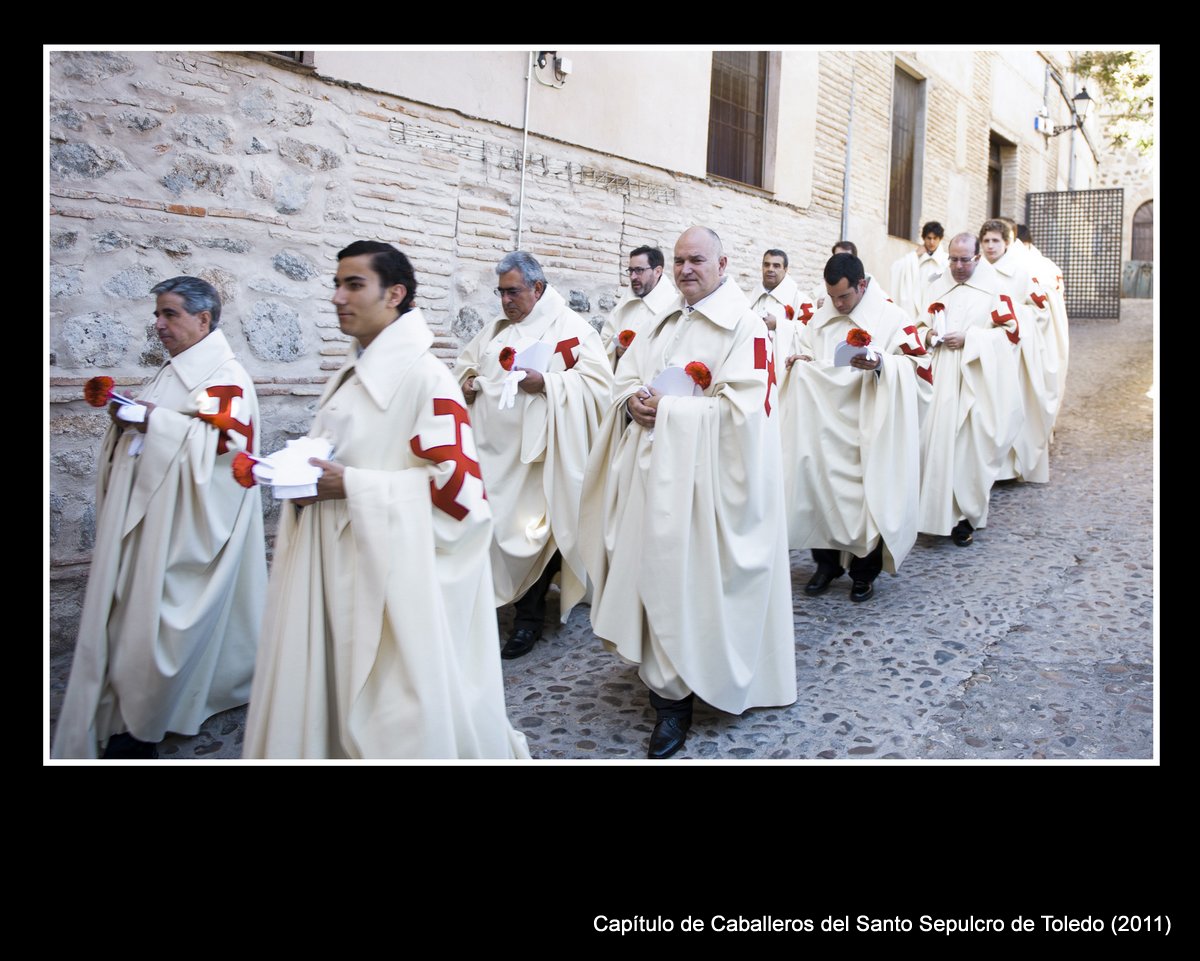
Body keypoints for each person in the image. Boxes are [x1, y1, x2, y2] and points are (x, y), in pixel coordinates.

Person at [243, 241, 529, 759]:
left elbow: (462, 497)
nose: (338, 298)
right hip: (341, 572)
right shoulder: (351, 374)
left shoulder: (426, 380)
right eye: (337, 284)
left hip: (393, 594)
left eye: (354, 285)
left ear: (395, 294)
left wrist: (353, 486)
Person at [579, 226, 796, 759]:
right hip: (651, 479)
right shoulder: (662, 319)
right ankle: (666, 692)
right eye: (678, 261)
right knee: (654, 578)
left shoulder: (745, 327)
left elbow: (747, 413)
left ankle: (682, 697)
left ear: (723, 264)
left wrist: (671, 410)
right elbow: (625, 376)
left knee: (689, 586)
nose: (685, 270)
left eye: (696, 260)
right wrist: (631, 401)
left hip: (707, 489)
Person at [53, 276, 266, 759]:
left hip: (184, 529)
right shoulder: (174, 370)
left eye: (170, 314)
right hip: (156, 517)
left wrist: (152, 421)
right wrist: (129, 417)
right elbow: (171, 427)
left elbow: (224, 450)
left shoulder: (225, 378)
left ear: (203, 319)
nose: (159, 324)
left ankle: (147, 718)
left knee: (164, 621)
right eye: (158, 314)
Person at [455, 251, 612, 659]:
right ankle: (486, 603)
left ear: (537, 288)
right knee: (491, 532)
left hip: (540, 458)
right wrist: (467, 383)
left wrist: (548, 384)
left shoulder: (572, 330)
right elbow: (466, 366)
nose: (506, 301)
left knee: (537, 536)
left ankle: (528, 619)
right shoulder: (496, 330)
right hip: (492, 455)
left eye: (513, 292)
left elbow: (599, 388)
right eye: (501, 293)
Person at [779, 253, 925, 602]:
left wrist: (882, 364)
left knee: (867, 499)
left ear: (862, 285)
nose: (838, 304)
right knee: (819, 492)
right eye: (832, 297)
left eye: (844, 296)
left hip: (870, 425)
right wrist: (801, 361)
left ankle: (864, 574)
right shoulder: (821, 319)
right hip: (825, 427)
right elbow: (806, 350)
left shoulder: (892, 318)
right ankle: (826, 565)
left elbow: (921, 367)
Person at [915, 233, 1024, 547]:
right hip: (940, 378)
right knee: (934, 446)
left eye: (965, 260)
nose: (958, 266)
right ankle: (933, 515)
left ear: (977, 258)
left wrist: (971, 339)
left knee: (968, 451)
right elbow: (917, 326)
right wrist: (929, 335)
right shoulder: (936, 286)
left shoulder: (994, 289)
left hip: (976, 380)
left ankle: (965, 518)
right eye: (953, 259)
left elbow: (1011, 334)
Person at [975, 219, 1058, 484]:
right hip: (984, 351)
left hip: (1014, 354)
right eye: (986, 241)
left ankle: (1009, 469)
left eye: (995, 241)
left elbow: (1041, 312)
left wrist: (1012, 315)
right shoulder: (975, 270)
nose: (990, 246)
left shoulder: (1022, 274)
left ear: (1007, 243)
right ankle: (984, 467)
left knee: (1010, 410)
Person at [600, 245, 678, 369]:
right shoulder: (625, 302)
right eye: (631, 271)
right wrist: (617, 347)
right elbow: (606, 338)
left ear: (657, 271)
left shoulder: (673, 308)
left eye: (639, 270)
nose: (633, 277)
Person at [749, 248, 816, 371]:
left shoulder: (802, 301)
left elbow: (810, 334)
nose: (770, 269)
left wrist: (778, 324)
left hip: (782, 368)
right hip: (752, 362)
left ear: (785, 269)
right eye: (766, 264)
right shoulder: (752, 298)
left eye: (776, 266)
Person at [890, 221, 949, 321]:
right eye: (929, 238)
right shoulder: (914, 258)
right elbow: (895, 268)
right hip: (916, 308)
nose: (932, 242)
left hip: (935, 308)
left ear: (940, 239)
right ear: (924, 238)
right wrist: (915, 254)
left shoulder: (946, 260)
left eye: (935, 238)